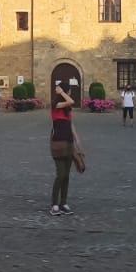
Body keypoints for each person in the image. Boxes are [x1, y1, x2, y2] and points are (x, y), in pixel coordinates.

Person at [47, 81, 80, 215]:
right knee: (60, 174)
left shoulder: (67, 110)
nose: (70, 93)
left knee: (66, 175)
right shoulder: (56, 105)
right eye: (69, 90)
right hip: (57, 143)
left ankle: (64, 203)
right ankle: (54, 204)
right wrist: (62, 92)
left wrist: (77, 139)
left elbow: (71, 124)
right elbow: (71, 101)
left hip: (69, 143)